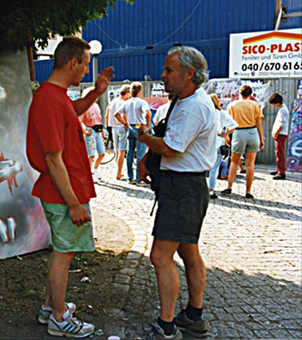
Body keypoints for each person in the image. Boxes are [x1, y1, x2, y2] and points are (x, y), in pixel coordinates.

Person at [26, 36, 114, 338]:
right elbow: (53, 158)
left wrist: (96, 93)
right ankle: (60, 318)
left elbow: (71, 111)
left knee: (63, 250)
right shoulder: (50, 99)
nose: (87, 71)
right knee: (64, 253)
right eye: (86, 65)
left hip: (64, 189)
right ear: (72, 62)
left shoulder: (55, 95)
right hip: (64, 192)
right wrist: (74, 203)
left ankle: (52, 307)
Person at [138, 46, 216, 339]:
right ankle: (193, 315)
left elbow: (171, 147)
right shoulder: (183, 101)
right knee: (188, 251)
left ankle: (167, 326)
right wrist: (147, 157)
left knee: (160, 256)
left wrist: (144, 138)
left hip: (184, 188)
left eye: (169, 70)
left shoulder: (194, 105)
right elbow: (167, 140)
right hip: (183, 186)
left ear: (190, 74)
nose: (163, 75)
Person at [221, 85, 264, 199]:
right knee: (250, 164)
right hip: (252, 132)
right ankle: (248, 191)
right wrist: (261, 137)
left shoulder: (232, 105)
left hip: (238, 133)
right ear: (250, 94)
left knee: (235, 162)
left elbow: (228, 123)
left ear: (239, 93)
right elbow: (259, 122)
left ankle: (229, 187)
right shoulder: (255, 105)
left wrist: (226, 136)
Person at [116, 82, 151, 186]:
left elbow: (116, 114)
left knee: (130, 154)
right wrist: (147, 125)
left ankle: (130, 177)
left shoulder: (127, 102)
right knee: (140, 154)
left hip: (130, 127)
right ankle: (139, 179)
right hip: (139, 127)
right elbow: (148, 113)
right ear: (140, 91)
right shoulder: (142, 102)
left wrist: (125, 123)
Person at [208, 94, 237, 199]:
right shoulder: (222, 114)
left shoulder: (205, 113)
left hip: (204, 143)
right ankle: (211, 190)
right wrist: (226, 134)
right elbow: (234, 125)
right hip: (217, 141)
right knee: (214, 168)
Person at [79, 87, 105, 180]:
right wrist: (84, 131)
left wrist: (102, 132)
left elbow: (99, 119)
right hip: (90, 130)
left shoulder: (96, 105)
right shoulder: (84, 106)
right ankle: (88, 174)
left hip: (97, 130)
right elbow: (78, 120)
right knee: (91, 154)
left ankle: (95, 169)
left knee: (102, 153)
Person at [106, 84, 131, 180]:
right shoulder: (123, 103)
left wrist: (108, 125)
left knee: (116, 151)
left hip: (113, 127)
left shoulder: (113, 101)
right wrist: (125, 123)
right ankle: (119, 173)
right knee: (122, 151)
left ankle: (118, 170)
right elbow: (122, 115)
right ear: (127, 92)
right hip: (121, 127)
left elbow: (107, 114)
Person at [268, 93, 289, 180]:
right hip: (280, 134)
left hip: (280, 134)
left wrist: (276, 133)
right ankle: (279, 169)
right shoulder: (282, 109)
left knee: (279, 153)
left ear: (277, 103)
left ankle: (281, 172)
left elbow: (282, 124)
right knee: (278, 152)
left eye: (273, 103)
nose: (273, 105)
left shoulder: (282, 110)